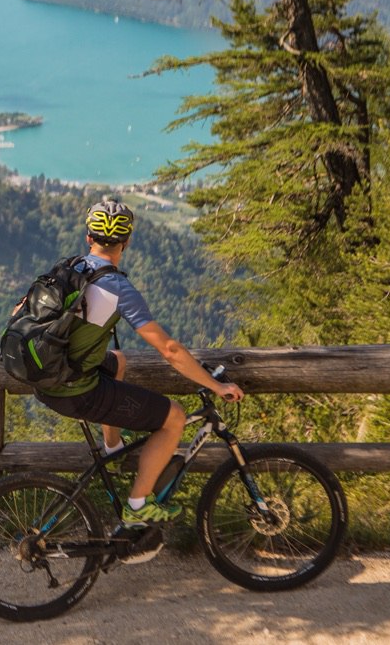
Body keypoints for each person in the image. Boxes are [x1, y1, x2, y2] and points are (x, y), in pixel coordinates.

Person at [35, 197, 244, 526]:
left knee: (117, 359)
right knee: (174, 418)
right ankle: (136, 505)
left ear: (89, 238)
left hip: (46, 380)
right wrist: (216, 386)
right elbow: (169, 350)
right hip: (77, 390)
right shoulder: (118, 288)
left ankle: (112, 447)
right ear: (127, 241)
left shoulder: (68, 269)